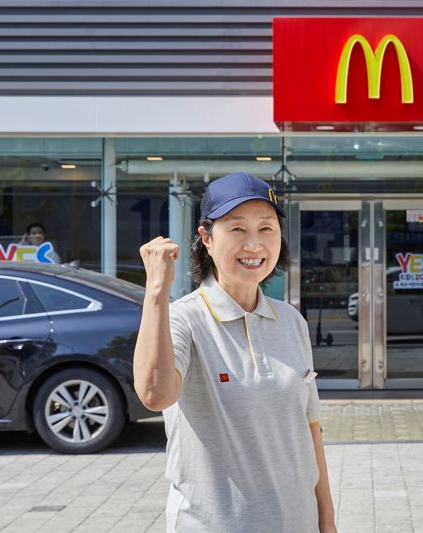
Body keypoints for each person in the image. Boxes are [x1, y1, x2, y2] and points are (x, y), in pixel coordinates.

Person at [133, 172, 336, 532]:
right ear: (206, 239)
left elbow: (310, 429)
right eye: (237, 229)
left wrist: (327, 521)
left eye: (267, 228)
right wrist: (156, 292)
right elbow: (155, 394)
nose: (254, 245)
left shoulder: (291, 321)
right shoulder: (184, 318)